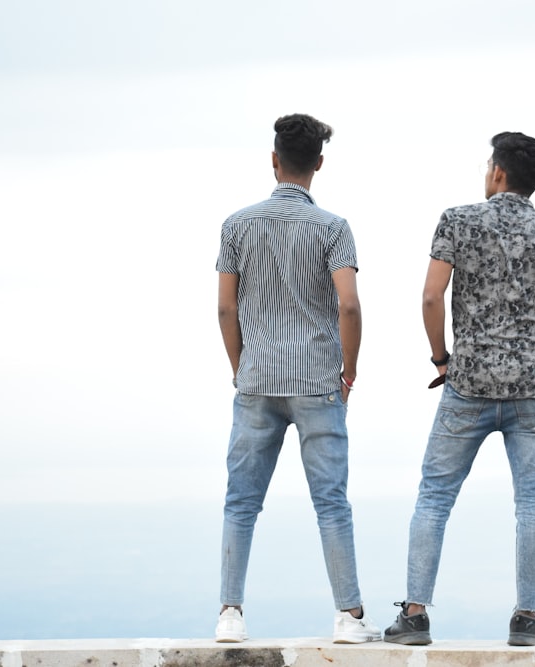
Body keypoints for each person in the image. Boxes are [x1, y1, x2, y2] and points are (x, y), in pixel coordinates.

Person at [383, 131, 535, 646]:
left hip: (467, 382)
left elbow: (430, 297)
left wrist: (442, 359)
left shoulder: (457, 220)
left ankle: (415, 616)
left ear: (497, 173)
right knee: (533, 502)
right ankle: (526, 619)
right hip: (532, 386)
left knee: (434, 497)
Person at [214, 113, 381, 644]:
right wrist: (348, 369)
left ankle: (230, 615)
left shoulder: (237, 225)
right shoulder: (333, 228)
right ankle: (349, 618)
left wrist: (241, 366)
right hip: (317, 380)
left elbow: (224, 309)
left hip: (257, 378)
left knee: (242, 501)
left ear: (274, 159)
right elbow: (349, 304)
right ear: (320, 164)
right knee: (331, 501)